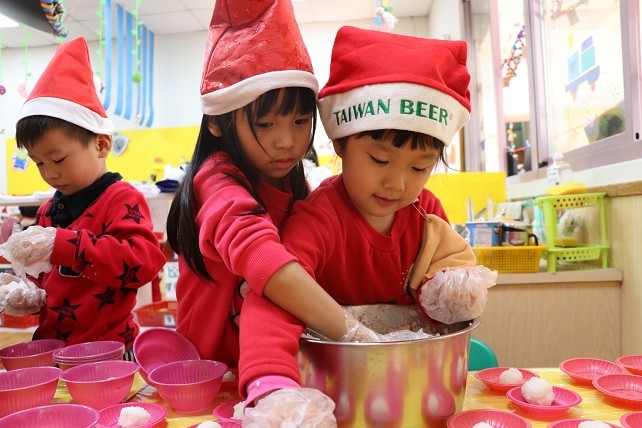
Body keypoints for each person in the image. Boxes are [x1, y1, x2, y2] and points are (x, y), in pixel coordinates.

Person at [238, 26, 497, 425]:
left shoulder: (424, 212)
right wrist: (273, 386)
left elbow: (438, 293)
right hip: (335, 394)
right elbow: (274, 299)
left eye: (420, 167)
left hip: (413, 393)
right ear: (340, 143)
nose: (397, 184)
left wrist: (447, 292)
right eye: (379, 160)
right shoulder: (320, 219)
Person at [164, 0, 374, 390]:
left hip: (274, 365)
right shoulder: (216, 180)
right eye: (265, 123)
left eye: (300, 120)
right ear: (216, 123)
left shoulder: (290, 180)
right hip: (212, 374)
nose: (287, 141)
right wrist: (354, 333)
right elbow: (262, 257)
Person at [1, 37, 166, 356]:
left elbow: (143, 263)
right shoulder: (48, 211)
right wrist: (30, 293)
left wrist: (65, 245)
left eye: (58, 159)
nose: (49, 173)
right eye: (39, 163)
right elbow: (50, 280)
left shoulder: (120, 199)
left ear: (101, 144)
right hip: (53, 347)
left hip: (109, 349)